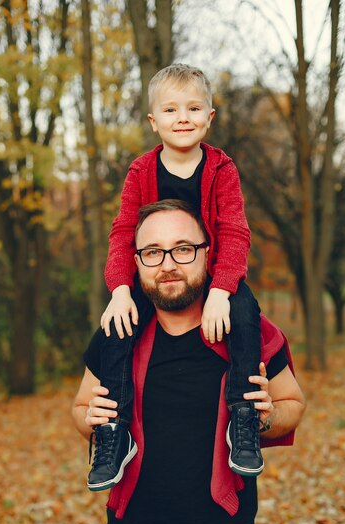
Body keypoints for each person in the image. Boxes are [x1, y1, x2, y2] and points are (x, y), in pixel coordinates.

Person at [72, 200, 306, 524]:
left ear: (207, 252)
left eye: (183, 249)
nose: (167, 264)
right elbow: (80, 406)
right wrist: (88, 419)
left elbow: (293, 404)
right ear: (136, 261)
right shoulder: (117, 330)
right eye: (152, 252)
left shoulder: (248, 332)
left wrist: (264, 416)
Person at [89, 63, 263, 492]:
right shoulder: (140, 171)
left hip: (213, 275)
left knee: (244, 312)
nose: (182, 117)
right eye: (170, 109)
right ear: (154, 121)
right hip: (154, 278)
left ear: (209, 116)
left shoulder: (222, 170)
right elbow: (123, 231)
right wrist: (120, 290)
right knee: (118, 326)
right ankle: (115, 429)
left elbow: (235, 232)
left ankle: (243, 416)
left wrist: (222, 291)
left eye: (192, 108)